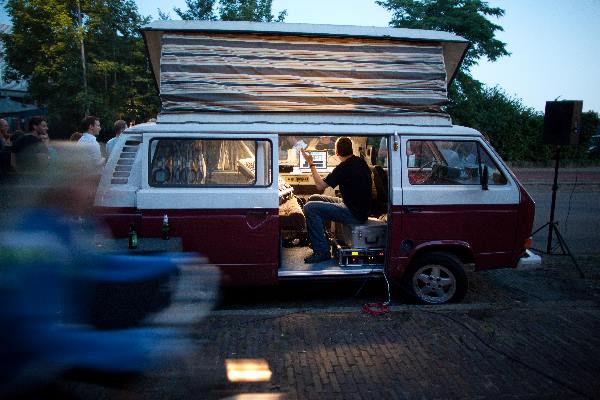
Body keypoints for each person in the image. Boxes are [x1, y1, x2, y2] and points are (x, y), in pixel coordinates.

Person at [301, 137, 372, 263]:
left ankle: (322, 251)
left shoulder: (343, 168)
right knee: (313, 198)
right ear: (351, 149)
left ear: (337, 152)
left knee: (310, 208)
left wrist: (311, 163)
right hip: (358, 208)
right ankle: (323, 240)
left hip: (354, 213)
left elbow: (320, 186)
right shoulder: (360, 162)